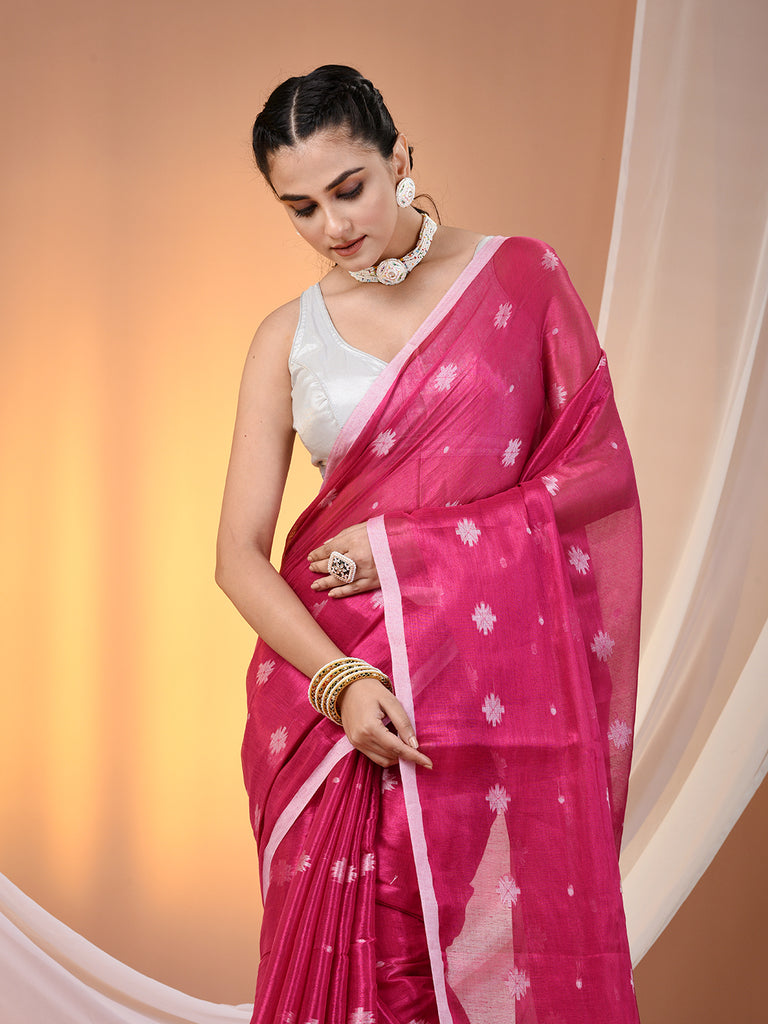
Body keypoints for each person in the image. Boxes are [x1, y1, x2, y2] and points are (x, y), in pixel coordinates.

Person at [216, 64, 642, 1024]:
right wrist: (339, 681)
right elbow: (237, 555)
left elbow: (598, 475)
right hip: (332, 690)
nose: (333, 225)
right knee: (361, 969)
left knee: (469, 961)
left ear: (400, 154)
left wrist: (407, 549)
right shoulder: (286, 337)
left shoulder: (521, 279)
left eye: (350, 188)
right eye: (301, 208)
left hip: (486, 673)